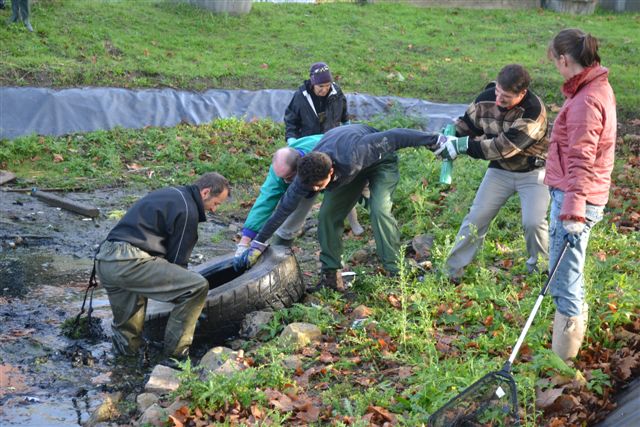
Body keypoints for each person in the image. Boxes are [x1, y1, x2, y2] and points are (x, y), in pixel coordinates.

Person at [235, 124, 444, 291]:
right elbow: (283, 210)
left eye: (319, 185)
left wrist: (434, 140)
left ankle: (395, 270)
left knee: (379, 211)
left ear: (331, 170)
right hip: (349, 174)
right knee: (327, 216)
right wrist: (258, 243)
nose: (316, 189)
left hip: (380, 162)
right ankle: (331, 276)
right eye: (312, 186)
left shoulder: (356, 152)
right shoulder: (305, 174)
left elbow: (397, 136)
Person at [95, 173, 230, 362]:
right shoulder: (188, 210)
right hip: (130, 260)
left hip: (106, 258)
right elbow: (178, 265)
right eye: (216, 203)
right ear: (206, 192)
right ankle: (176, 359)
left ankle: (125, 369)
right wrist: (194, 310)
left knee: (129, 330)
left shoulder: (172, 193)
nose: (214, 210)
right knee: (196, 287)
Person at [436, 64, 550, 283]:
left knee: (533, 222)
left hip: (534, 172)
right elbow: (468, 125)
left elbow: (503, 148)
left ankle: (541, 271)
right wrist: (448, 138)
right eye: (497, 92)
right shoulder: (486, 99)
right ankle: (451, 272)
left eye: (506, 97)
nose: (498, 100)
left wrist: (462, 146)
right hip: (500, 171)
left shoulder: (534, 112)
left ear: (522, 93)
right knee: (476, 218)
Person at [546, 29, 616, 360]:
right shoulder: (595, 87)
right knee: (570, 274)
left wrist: (572, 213)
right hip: (582, 196)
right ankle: (567, 352)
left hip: (576, 201)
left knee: (563, 282)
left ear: (564, 60)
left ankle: (562, 364)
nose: (556, 69)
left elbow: (581, 160)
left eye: (556, 63)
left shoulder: (586, 100)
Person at [284, 62, 365, 236]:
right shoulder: (300, 97)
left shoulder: (336, 93)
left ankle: (354, 223)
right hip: (309, 145)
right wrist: (292, 140)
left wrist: (347, 129)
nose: (325, 89)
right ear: (313, 83)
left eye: (327, 86)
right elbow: (290, 120)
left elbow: (344, 115)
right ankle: (293, 226)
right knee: (305, 186)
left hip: (333, 143)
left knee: (341, 182)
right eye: (321, 86)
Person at [235, 134, 323, 255]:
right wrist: (245, 241)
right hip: (306, 179)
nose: (284, 182)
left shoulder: (322, 149)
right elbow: (266, 199)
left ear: (299, 168)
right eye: (281, 178)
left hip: (340, 166)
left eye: (287, 178)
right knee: (295, 209)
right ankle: (281, 248)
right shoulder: (280, 169)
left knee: (331, 213)